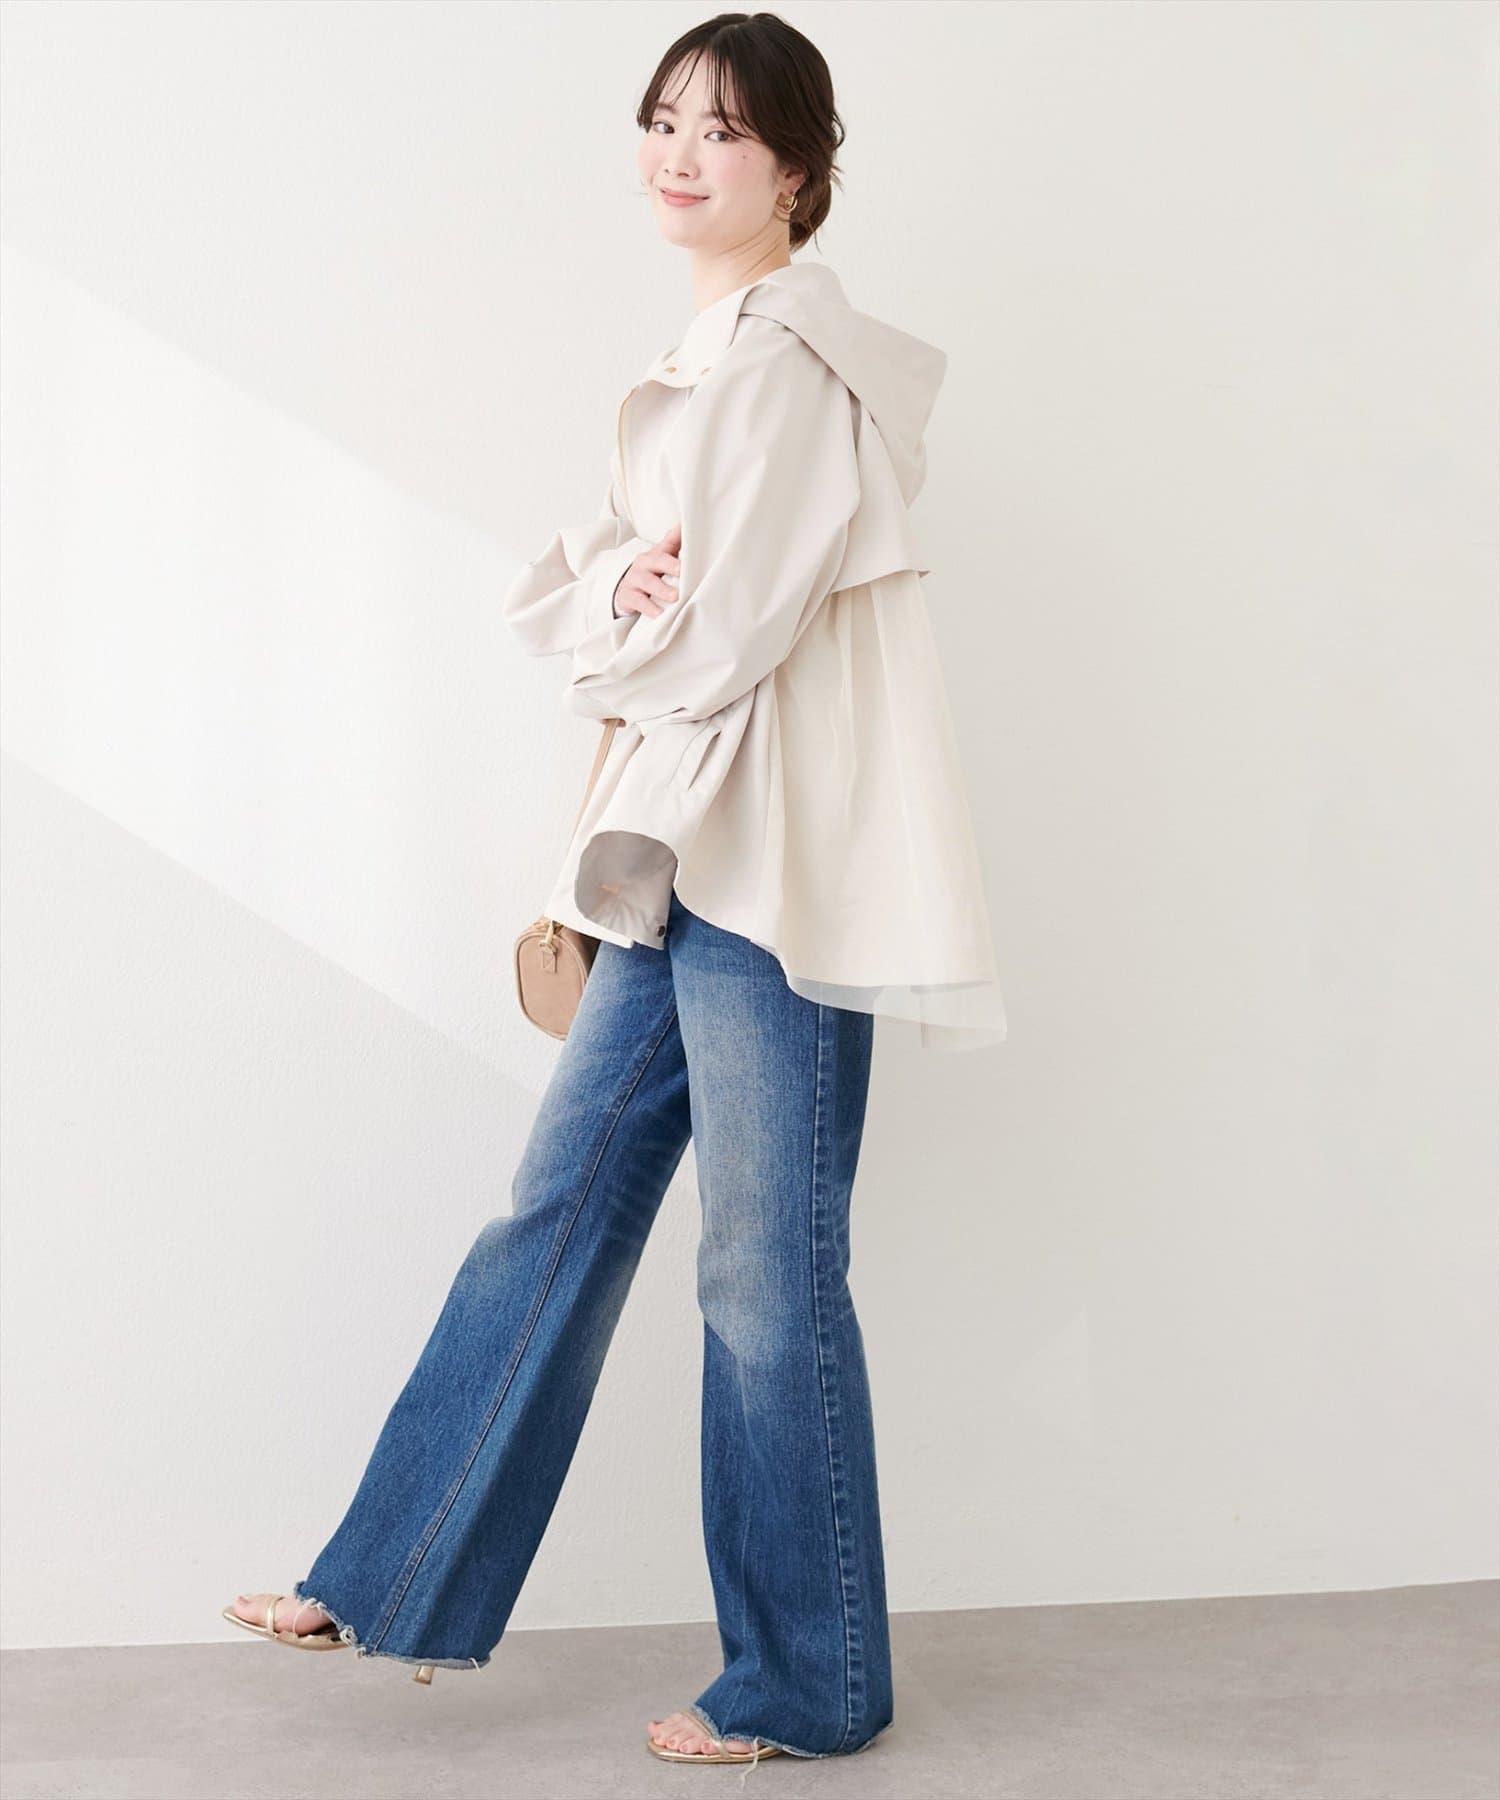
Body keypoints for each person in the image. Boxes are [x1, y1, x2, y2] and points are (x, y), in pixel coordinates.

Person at [225, 11, 1006, 1768]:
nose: (677, 155)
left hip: (772, 871)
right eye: (661, 121)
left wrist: (621, 616)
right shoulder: (708, 353)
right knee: (556, 1209)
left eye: (720, 131)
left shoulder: (787, 361)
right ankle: (393, 1571)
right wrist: (615, 606)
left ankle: (811, 1684)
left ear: (796, 169)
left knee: (765, 1275)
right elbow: (589, 592)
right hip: (685, 857)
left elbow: (711, 639)